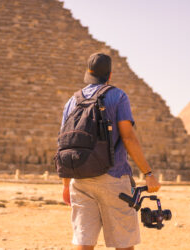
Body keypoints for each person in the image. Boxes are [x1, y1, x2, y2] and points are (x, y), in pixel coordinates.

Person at [60, 52, 161, 250]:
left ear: (88, 73)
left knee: (84, 241)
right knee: (123, 243)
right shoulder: (117, 96)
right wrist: (148, 174)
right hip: (113, 177)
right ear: (110, 75)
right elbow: (128, 137)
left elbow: (65, 143)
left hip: (79, 179)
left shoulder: (71, 102)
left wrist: (66, 184)